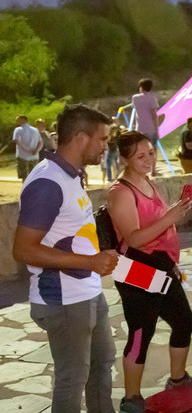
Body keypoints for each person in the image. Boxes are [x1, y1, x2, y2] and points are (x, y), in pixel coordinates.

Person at [13, 104, 118, 412]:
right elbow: (22, 250)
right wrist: (90, 263)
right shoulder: (48, 182)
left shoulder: (69, 175)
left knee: (102, 364)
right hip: (64, 301)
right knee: (72, 379)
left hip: (87, 293)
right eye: (103, 139)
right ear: (82, 137)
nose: (106, 146)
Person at [107, 132, 192, 412]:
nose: (149, 159)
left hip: (162, 265)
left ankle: (177, 379)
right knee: (141, 331)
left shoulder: (149, 183)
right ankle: (131, 398)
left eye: (151, 153)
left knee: (184, 321)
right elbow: (135, 239)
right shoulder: (121, 192)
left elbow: (161, 226)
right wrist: (169, 218)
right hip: (136, 269)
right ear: (125, 158)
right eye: (141, 156)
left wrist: (172, 217)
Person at [131, 78, 159, 176]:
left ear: (141, 87)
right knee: (153, 150)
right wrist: (157, 130)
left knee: (140, 151)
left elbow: (136, 112)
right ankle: (153, 170)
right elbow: (154, 115)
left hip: (140, 128)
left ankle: (141, 170)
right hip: (151, 128)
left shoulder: (135, 98)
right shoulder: (152, 98)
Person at [12, 115, 42, 182]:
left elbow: (17, 141)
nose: (16, 121)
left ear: (23, 120)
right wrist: (36, 150)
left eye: (18, 119)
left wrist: (27, 149)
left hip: (22, 156)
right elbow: (40, 142)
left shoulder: (18, 130)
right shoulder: (35, 130)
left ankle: (25, 190)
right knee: (34, 175)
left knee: (24, 176)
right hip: (34, 156)